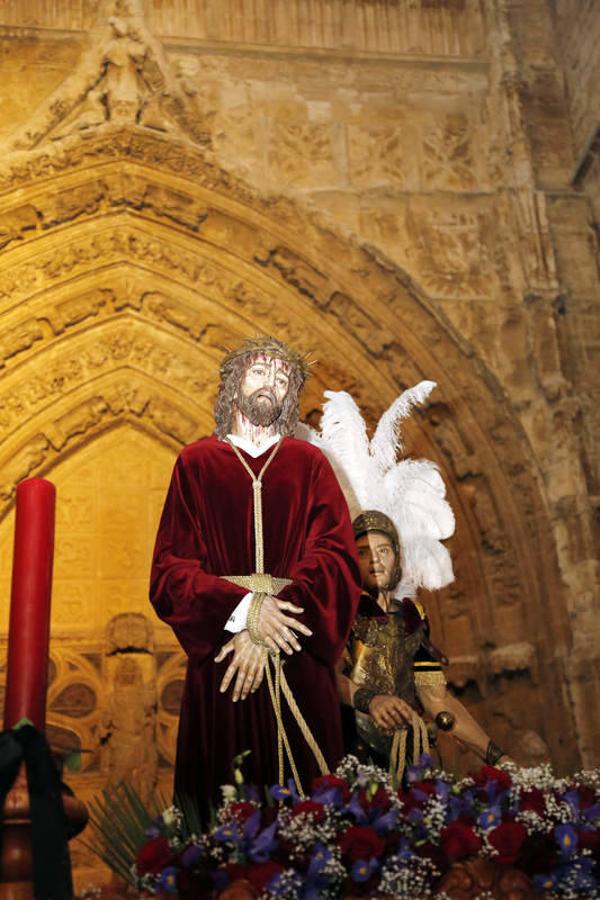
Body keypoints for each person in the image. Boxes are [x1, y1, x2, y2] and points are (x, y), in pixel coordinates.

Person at [149, 336, 361, 816]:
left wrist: (269, 629)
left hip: (296, 651)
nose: (272, 385)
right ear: (234, 382)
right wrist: (245, 612)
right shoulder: (195, 463)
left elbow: (337, 558)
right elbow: (170, 571)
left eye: (284, 379)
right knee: (228, 803)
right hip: (225, 666)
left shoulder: (310, 465)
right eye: (261, 372)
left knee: (313, 811)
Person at [337, 510, 509, 780]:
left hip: (413, 760)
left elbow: (437, 700)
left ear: (397, 557)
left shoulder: (411, 617)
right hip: (355, 757)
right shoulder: (340, 613)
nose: (375, 561)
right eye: (363, 552)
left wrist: (502, 762)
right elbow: (323, 679)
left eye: (383, 550)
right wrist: (371, 700)